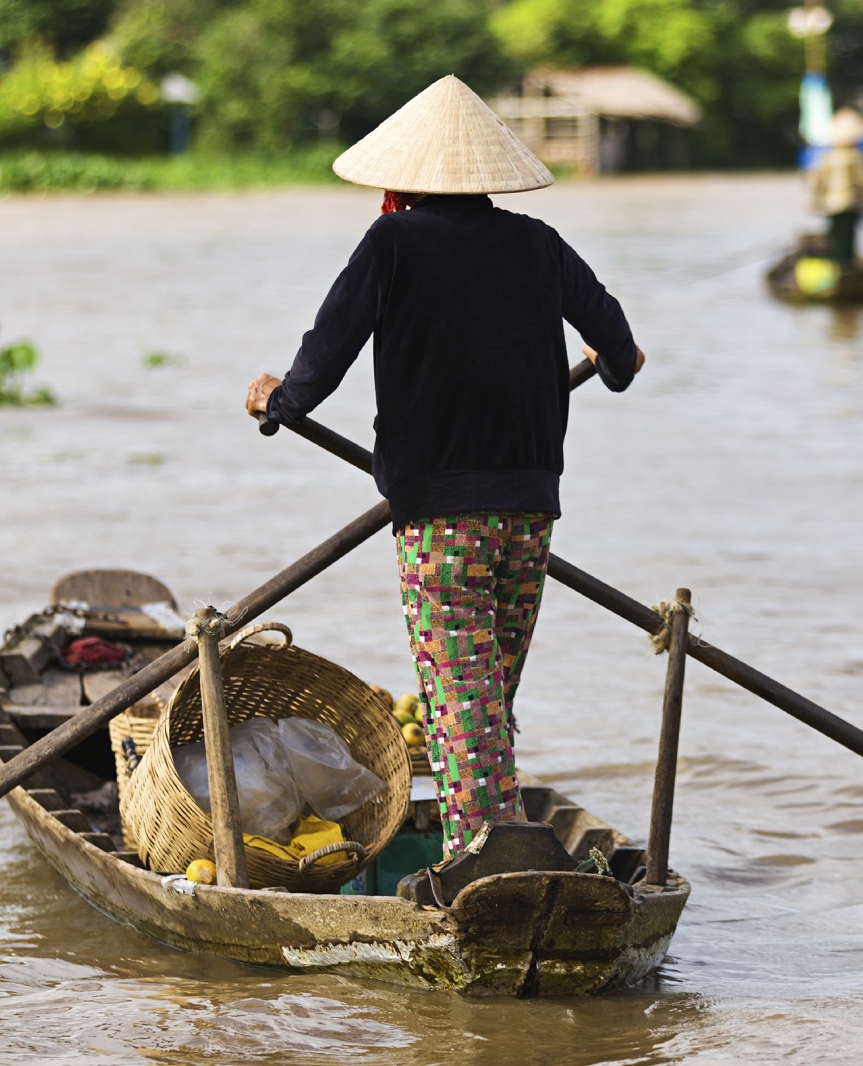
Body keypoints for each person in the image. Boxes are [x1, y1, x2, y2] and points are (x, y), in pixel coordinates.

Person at [243, 75, 643, 860]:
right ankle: (500, 843)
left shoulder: (392, 243)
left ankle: (481, 860)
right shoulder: (537, 242)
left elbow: (323, 359)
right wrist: (613, 362)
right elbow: (619, 350)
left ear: (407, 177)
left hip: (440, 519)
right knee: (488, 692)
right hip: (530, 510)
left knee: (463, 702)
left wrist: (274, 402)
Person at [808, 108, 863, 268]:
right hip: (850, 204)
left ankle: (835, 265)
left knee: (834, 237)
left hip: (831, 204)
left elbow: (816, 183)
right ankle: (845, 267)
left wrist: (816, 201)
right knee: (847, 239)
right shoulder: (856, 158)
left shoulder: (826, 157)